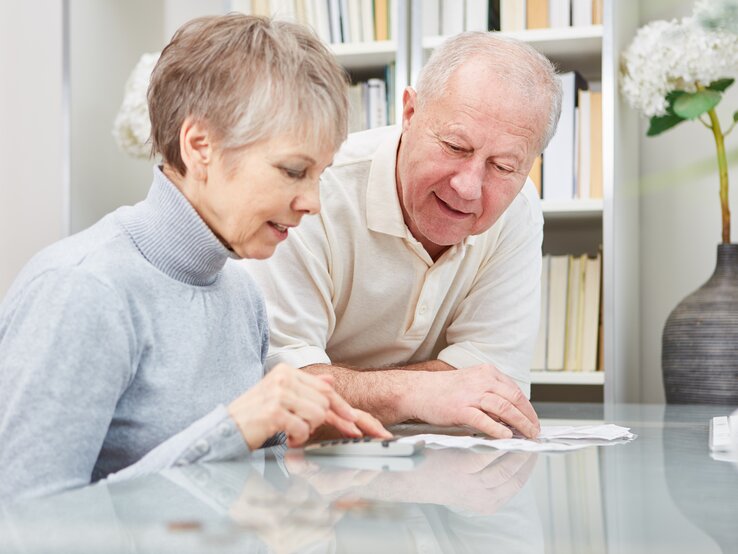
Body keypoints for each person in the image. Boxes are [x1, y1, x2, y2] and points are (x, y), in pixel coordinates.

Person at [0, 14, 389, 504]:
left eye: (320, 175)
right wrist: (232, 429)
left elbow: (233, 490)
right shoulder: (83, 290)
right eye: (294, 171)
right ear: (200, 146)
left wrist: (302, 478)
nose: (313, 201)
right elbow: (24, 522)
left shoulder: (240, 290)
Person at [244, 32, 563, 439]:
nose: (468, 187)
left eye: (502, 167)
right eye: (455, 146)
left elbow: (496, 388)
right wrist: (416, 392)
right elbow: (283, 391)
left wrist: (354, 386)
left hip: (434, 475)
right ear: (409, 112)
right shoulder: (313, 191)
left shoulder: (517, 209)